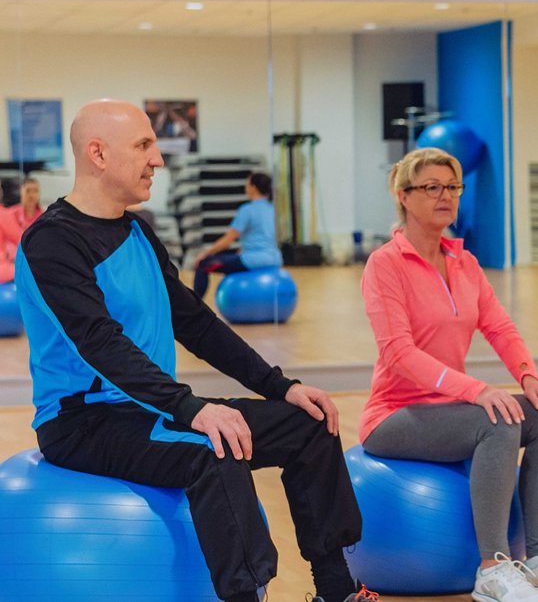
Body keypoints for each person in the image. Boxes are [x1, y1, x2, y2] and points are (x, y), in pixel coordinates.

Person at [14, 100, 372, 602]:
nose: (157, 159)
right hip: (83, 423)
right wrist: (192, 408)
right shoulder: (51, 242)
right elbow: (99, 342)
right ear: (97, 153)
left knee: (309, 425)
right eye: (143, 145)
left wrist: (282, 387)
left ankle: (338, 591)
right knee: (215, 451)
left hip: (151, 410)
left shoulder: (138, 231)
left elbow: (195, 322)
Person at [360, 147, 538, 602]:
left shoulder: (463, 263)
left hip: (449, 408)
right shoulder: (385, 264)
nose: (445, 196)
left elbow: (499, 327)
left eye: (453, 187)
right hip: (394, 415)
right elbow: (398, 353)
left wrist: (529, 377)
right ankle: (492, 567)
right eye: (432, 187)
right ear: (404, 195)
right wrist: (477, 390)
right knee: (498, 417)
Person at [192, 171, 283, 298]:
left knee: (203, 265)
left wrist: (205, 254)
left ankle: (196, 305)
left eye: (247, 184)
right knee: (230, 258)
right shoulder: (272, 208)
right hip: (275, 259)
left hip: (252, 261)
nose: (246, 187)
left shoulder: (247, 209)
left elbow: (228, 239)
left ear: (253, 187)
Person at [0, 176, 42, 283]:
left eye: (35, 191)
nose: (31, 195)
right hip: (10, 264)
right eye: (28, 191)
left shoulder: (45, 219)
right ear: (21, 192)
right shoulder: (8, 214)